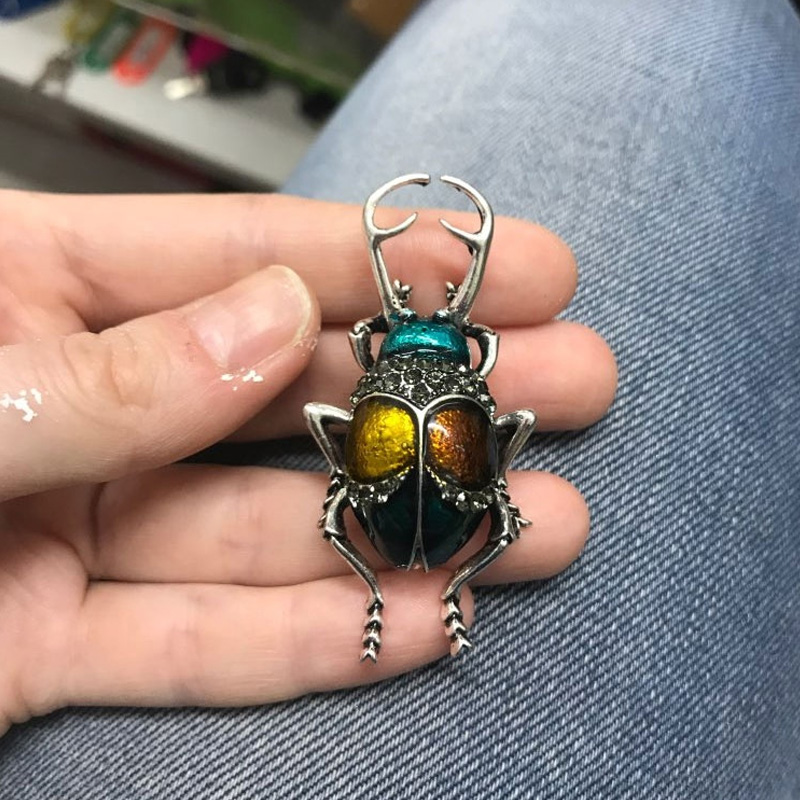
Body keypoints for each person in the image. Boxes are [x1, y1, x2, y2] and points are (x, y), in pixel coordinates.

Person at [0, 0, 798, 797]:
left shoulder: (373, 374)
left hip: (390, 507)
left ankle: (402, 577)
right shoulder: (469, 379)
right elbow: (497, 422)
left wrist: (364, 479)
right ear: (469, 352)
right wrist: (481, 489)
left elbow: (343, 414)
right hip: (437, 506)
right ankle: (443, 573)